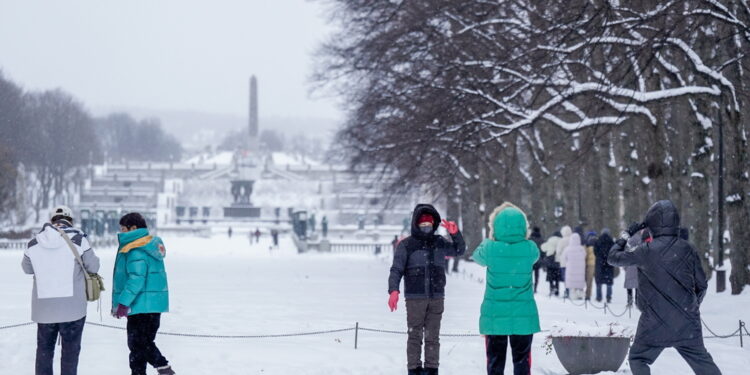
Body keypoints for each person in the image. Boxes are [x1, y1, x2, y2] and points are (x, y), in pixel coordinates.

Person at [608, 200, 722, 375]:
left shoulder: (645, 250)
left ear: (651, 223)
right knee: (704, 364)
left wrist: (626, 235)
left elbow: (613, 257)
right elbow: (702, 285)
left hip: (653, 322)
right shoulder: (688, 249)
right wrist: (689, 307)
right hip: (687, 324)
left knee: (638, 358)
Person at [388, 204, 466, 375]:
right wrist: (393, 290)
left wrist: (455, 234)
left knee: (433, 337)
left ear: (433, 225)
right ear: (416, 225)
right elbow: (397, 269)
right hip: (415, 298)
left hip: (437, 297)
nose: (426, 229)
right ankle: (414, 369)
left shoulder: (439, 242)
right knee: (414, 337)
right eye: (422, 225)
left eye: (429, 225)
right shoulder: (406, 245)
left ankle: (432, 369)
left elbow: (459, 250)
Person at [22, 205, 100, 375]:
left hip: (44, 309)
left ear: (52, 221)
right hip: (73, 308)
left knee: (44, 352)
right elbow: (93, 266)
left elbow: (27, 268)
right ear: (70, 221)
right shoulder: (79, 239)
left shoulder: (34, 242)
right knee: (70, 354)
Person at [472, 203, 540, 375]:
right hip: (523, 315)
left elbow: (476, 256)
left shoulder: (489, 249)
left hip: (495, 315)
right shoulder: (530, 248)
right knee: (522, 361)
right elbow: (535, 257)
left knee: (495, 362)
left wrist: (490, 238)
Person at [113, 212, 175, 375]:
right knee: (140, 345)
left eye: (123, 229)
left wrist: (123, 302)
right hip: (152, 305)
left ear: (133, 228)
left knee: (138, 344)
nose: (121, 232)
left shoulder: (136, 249)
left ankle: (163, 368)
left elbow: (136, 280)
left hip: (140, 306)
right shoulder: (149, 246)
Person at [563, 233, 586, 300]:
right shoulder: (581, 249)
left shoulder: (568, 249)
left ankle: (573, 294)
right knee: (579, 283)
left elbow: (564, 257)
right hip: (580, 270)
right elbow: (584, 256)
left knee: (572, 284)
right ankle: (580, 294)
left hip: (571, 270)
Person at [594, 229, 615, 303]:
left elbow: (595, 252)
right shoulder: (612, 242)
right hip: (609, 264)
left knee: (599, 281)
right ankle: (608, 297)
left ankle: (599, 297)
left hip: (600, 264)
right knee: (609, 282)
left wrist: (600, 258)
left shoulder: (598, 241)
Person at [541, 231, 562, 296]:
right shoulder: (561, 240)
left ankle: (551, 288)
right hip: (557, 261)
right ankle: (557, 291)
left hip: (550, 261)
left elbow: (543, 248)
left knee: (550, 276)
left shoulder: (550, 240)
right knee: (557, 277)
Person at [555, 226, 573, 298]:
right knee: (572, 277)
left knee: (565, 278)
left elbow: (558, 251)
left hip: (564, 262)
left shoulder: (561, 241)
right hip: (572, 262)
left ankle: (567, 291)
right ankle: (572, 291)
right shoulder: (572, 239)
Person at [529, 227, 544, 294]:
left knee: (530, 274)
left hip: (530, 260)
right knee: (537, 275)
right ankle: (535, 288)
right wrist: (543, 258)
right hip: (538, 259)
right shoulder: (541, 240)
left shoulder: (530, 239)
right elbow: (543, 250)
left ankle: (530, 287)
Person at [584, 231, 597, 301]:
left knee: (588, 280)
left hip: (588, 264)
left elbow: (585, 255)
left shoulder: (587, 243)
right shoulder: (597, 242)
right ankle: (589, 294)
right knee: (591, 280)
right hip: (595, 264)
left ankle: (587, 294)